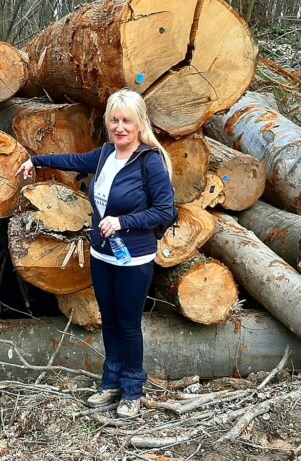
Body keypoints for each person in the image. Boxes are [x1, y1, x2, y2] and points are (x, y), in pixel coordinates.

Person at [16, 89, 176, 418]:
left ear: (139, 123)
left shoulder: (150, 162)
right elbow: (72, 161)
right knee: (110, 322)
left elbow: (166, 212)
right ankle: (111, 382)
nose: (120, 127)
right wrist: (36, 159)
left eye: (126, 120)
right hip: (103, 256)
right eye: (114, 120)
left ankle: (132, 389)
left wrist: (123, 222)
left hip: (133, 259)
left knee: (128, 325)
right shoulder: (105, 155)